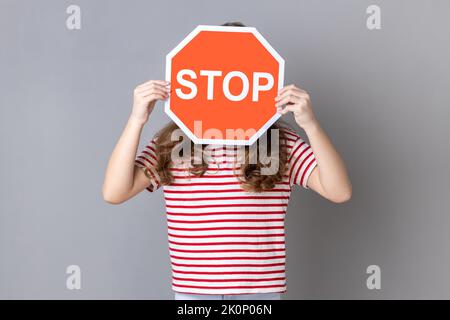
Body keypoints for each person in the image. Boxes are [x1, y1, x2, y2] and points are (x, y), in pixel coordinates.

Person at [102, 22, 352, 300]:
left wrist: (311, 125)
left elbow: (338, 190)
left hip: (259, 294)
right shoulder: (175, 144)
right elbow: (115, 192)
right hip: (194, 294)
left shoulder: (280, 144)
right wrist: (137, 119)